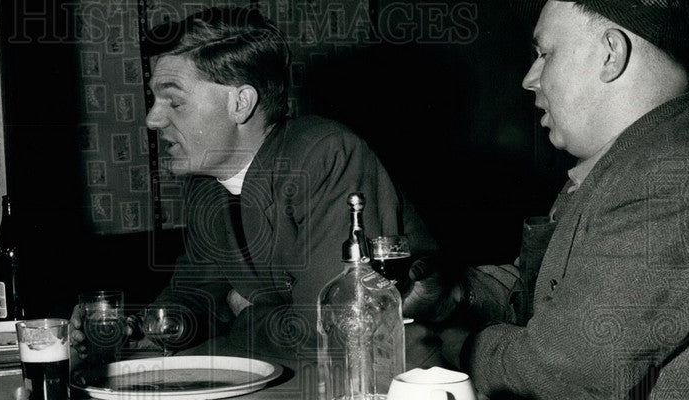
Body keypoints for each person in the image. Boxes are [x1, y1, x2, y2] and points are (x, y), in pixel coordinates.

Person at [404, 0, 689, 400]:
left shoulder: (675, 175)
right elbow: (548, 302)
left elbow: (568, 371)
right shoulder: (627, 163)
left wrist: (448, 347)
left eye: (545, 54)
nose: (529, 78)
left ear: (611, 54)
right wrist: (455, 294)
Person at [72, 6, 437, 360]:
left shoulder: (325, 155)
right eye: (155, 100)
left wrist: (241, 315)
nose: (153, 119)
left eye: (174, 101)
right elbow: (197, 297)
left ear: (241, 103)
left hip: (406, 383)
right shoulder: (207, 185)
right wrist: (138, 330)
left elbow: (336, 330)